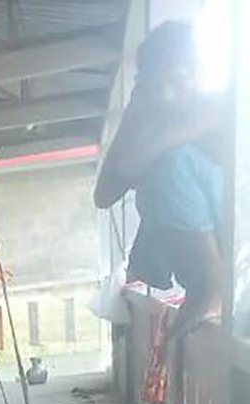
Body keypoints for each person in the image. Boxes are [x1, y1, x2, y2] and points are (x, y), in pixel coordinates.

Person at [94, 21, 224, 339]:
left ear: (197, 74)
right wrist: (131, 115)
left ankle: (216, 287)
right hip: (196, 265)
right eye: (155, 86)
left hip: (236, 260)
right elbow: (103, 195)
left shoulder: (217, 106)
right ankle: (205, 287)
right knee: (159, 168)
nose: (166, 94)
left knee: (168, 165)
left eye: (175, 80)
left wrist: (141, 119)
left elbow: (137, 160)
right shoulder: (156, 118)